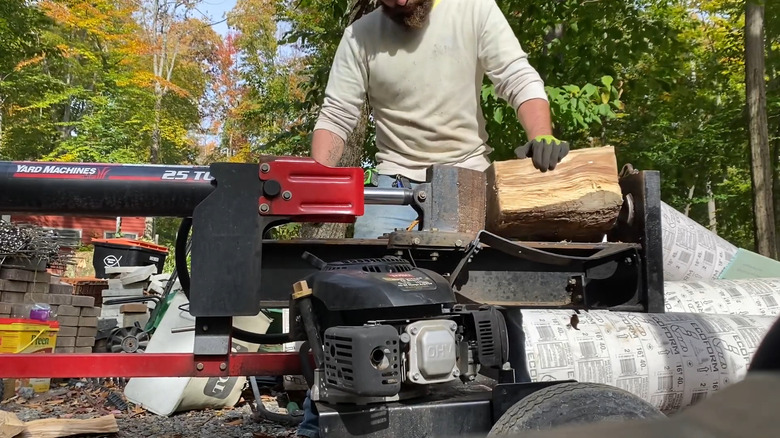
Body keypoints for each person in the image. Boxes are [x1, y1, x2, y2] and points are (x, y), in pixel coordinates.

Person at [297, 0, 568, 436]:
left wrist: (541, 136)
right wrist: (316, 186)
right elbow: (337, 115)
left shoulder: (474, 10)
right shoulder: (360, 36)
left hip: (468, 178)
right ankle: (319, 425)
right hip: (393, 185)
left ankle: (515, 420)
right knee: (344, 299)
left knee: (497, 301)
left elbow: (517, 77)